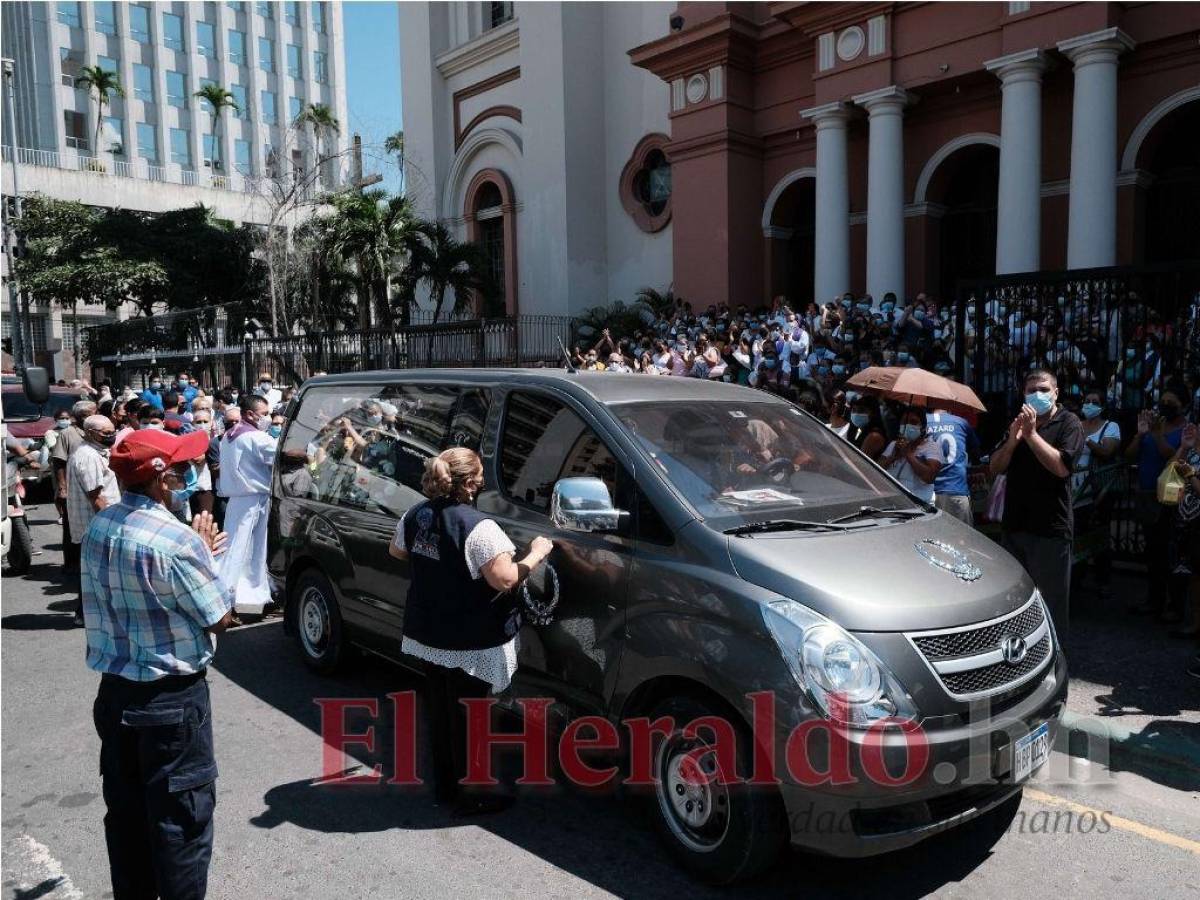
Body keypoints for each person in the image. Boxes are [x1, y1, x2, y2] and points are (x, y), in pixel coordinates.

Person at [83, 429, 232, 900]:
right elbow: (219, 617)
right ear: (160, 478)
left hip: (116, 692)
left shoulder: (101, 525)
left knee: (127, 819)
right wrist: (207, 556)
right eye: (181, 469)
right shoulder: (176, 540)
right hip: (171, 699)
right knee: (180, 825)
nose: (188, 476)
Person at [389, 448, 552, 815]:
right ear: (474, 481)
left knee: (443, 713)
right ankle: (475, 793)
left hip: (429, 633)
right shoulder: (479, 527)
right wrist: (536, 554)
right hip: (468, 637)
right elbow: (505, 579)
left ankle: (448, 786)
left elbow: (397, 551)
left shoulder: (416, 514)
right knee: (472, 717)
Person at [989, 370, 1084, 640]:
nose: (1037, 395)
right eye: (1031, 390)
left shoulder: (1069, 423)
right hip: (1016, 526)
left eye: (1043, 389)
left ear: (1056, 392)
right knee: (1016, 603)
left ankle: (1055, 664)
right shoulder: (1018, 423)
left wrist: (1031, 436)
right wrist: (1012, 441)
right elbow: (995, 468)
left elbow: (1061, 467)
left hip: (1050, 530)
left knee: (1051, 606)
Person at [1124, 390, 1188, 618]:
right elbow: (1129, 456)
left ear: (1184, 404)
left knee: (1170, 552)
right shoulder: (1153, 426)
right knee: (1153, 551)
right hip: (1147, 495)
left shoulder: (1185, 430)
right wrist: (1141, 435)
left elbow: (1173, 458)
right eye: (1163, 402)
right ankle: (1154, 599)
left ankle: (1174, 605)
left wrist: (1158, 435)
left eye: (1172, 402)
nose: (1165, 405)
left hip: (1171, 497)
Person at [216, 394, 278, 615]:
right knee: (248, 549)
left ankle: (243, 593)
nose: (268, 418)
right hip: (253, 499)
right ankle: (235, 596)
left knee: (235, 547)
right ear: (250, 414)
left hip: (237, 500)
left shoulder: (228, 436)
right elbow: (280, 455)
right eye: (264, 414)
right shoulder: (257, 438)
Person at [66, 415, 122, 626]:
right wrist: (112, 524)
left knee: (92, 573)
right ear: (90, 433)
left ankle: (87, 613)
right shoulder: (88, 456)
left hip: (95, 524)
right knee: (97, 574)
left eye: (112, 431)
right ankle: (88, 614)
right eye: (106, 433)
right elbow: (96, 497)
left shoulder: (94, 452)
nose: (111, 436)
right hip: (97, 524)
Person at [51, 400, 95, 578]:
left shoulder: (97, 432)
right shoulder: (68, 434)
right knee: (72, 526)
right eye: (88, 414)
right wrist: (62, 488)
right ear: (78, 417)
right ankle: (71, 564)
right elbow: (59, 462)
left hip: (93, 486)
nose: (91, 417)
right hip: (74, 488)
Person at [926, 406, 979, 524]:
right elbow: (975, 451)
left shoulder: (923, 421)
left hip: (926, 493)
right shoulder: (961, 422)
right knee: (961, 540)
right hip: (955, 489)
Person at [879, 409, 944, 504]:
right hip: (890, 501)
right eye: (904, 422)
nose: (907, 425)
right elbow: (877, 469)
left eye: (913, 422)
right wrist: (892, 457)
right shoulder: (894, 444)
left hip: (916, 505)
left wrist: (908, 454)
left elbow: (930, 477)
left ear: (922, 427)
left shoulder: (932, 447)